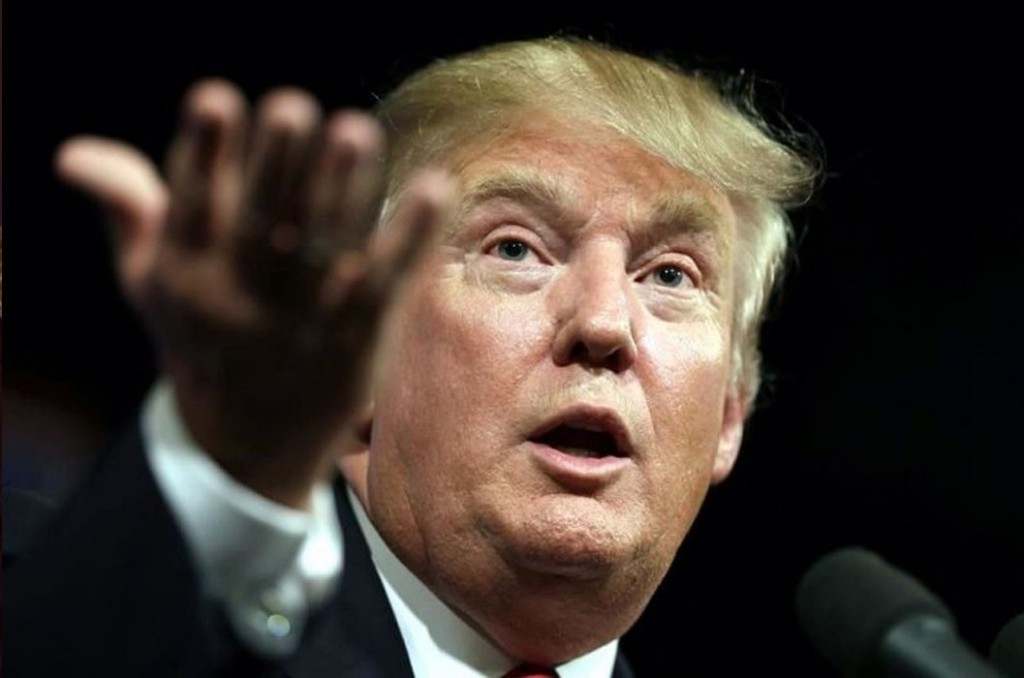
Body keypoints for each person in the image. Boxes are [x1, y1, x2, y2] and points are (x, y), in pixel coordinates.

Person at [5, 37, 817, 676]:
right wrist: (231, 465)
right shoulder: (84, 601)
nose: (604, 323)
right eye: (515, 249)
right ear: (358, 351)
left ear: (729, 416)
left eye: (672, 274)